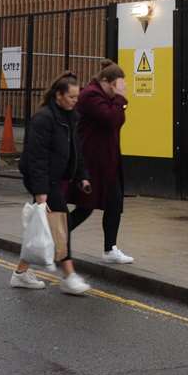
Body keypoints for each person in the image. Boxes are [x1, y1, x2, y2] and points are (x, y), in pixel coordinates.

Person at [11, 72, 92, 295]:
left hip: (56, 179)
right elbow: (36, 158)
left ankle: (20, 273)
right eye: (72, 97)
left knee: (42, 228)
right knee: (59, 225)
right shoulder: (43, 119)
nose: (76, 101)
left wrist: (82, 175)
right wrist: (40, 192)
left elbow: (77, 151)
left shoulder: (71, 117)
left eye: (78, 97)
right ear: (59, 95)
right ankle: (68, 276)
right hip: (43, 180)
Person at [71, 62, 132, 263]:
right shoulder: (90, 95)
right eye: (116, 86)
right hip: (91, 164)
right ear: (105, 81)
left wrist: (118, 101)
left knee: (114, 204)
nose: (118, 91)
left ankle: (110, 249)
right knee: (85, 207)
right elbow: (111, 119)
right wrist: (122, 99)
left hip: (108, 162)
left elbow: (116, 121)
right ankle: (53, 236)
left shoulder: (107, 99)